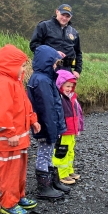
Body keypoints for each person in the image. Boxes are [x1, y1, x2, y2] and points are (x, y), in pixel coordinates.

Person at [0, 44, 41, 214]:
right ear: (11, 65)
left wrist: (33, 120)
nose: (24, 69)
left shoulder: (16, 84)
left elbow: (25, 106)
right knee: (8, 172)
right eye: (22, 65)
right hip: (7, 141)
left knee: (18, 170)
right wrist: (10, 133)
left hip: (19, 140)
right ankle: (8, 203)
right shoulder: (4, 85)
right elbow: (0, 114)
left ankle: (18, 197)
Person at [27, 45, 69, 199]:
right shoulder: (42, 80)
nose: (55, 66)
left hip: (50, 124)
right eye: (53, 63)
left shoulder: (46, 78)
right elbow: (46, 109)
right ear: (46, 62)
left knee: (49, 153)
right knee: (44, 154)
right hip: (45, 125)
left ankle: (52, 181)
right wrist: (52, 130)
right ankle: (44, 187)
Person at [29, 4, 83, 79]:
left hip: (66, 70)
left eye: (67, 16)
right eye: (62, 15)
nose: (64, 18)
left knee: (65, 91)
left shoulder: (74, 32)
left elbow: (78, 52)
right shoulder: (44, 26)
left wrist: (77, 70)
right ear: (57, 12)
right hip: (46, 68)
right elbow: (34, 45)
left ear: (71, 17)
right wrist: (53, 53)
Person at [52, 69, 84, 185]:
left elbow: (78, 114)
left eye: (71, 86)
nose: (69, 89)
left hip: (71, 130)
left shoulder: (72, 98)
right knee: (61, 152)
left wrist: (78, 128)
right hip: (63, 131)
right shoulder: (58, 98)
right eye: (67, 86)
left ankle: (69, 170)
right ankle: (61, 173)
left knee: (70, 151)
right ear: (60, 84)